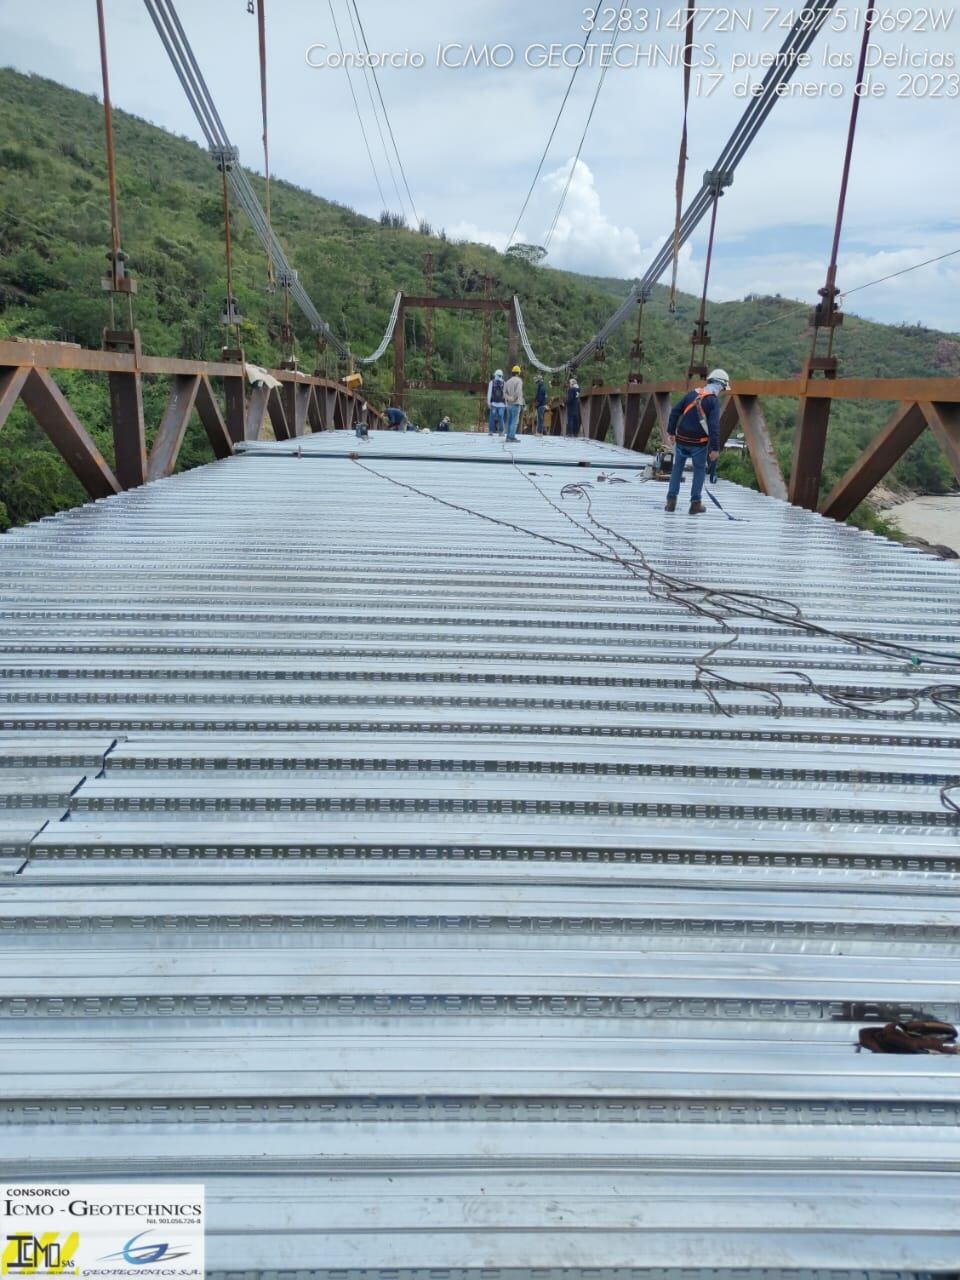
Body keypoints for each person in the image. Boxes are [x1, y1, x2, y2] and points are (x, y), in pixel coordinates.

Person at [665, 368, 731, 515]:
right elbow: (714, 426)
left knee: (677, 468)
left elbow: (675, 411)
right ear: (720, 385)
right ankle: (695, 504)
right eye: (723, 388)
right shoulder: (713, 401)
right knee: (699, 470)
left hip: (682, 439)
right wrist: (715, 449)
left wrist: (671, 432)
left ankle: (671, 502)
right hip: (698, 443)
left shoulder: (692, 394)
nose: (722, 391)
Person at [504, 365, 524, 441]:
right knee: (514, 421)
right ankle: (511, 437)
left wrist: (509, 398)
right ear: (518, 373)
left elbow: (504, 393)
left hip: (509, 404)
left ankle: (508, 436)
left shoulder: (508, 381)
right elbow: (518, 392)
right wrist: (514, 398)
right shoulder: (519, 381)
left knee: (509, 420)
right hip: (516, 403)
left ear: (512, 372)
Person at [487, 368, 506, 435]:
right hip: (502, 404)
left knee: (492, 417)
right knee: (501, 418)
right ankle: (501, 432)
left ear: (495, 375)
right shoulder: (504, 383)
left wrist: (488, 402)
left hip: (493, 403)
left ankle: (491, 431)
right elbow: (505, 394)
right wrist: (506, 404)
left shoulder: (492, 382)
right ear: (502, 375)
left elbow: (489, 393)